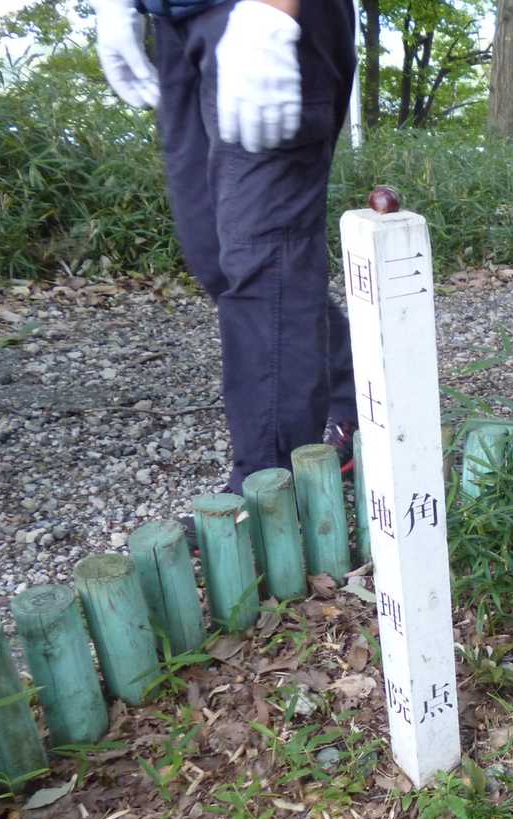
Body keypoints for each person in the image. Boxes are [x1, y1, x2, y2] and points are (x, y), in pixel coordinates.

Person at [93, 0, 360, 493]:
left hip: (260, 16)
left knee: (264, 259)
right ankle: (360, 397)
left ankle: (267, 498)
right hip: (174, 23)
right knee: (213, 250)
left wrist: (272, 14)